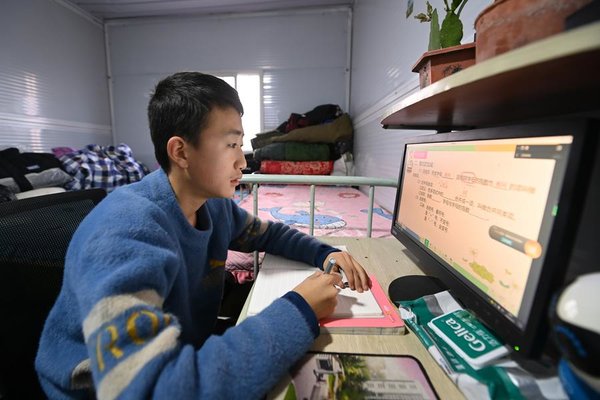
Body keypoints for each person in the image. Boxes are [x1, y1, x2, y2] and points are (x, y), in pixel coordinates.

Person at [35, 72, 371, 399]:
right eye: (230, 145)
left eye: (241, 144)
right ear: (180, 152)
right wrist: (300, 309)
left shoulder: (213, 206)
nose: (243, 160)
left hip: (180, 353)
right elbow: (150, 389)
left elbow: (269, 235)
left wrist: (325, 253)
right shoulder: (125, 232)